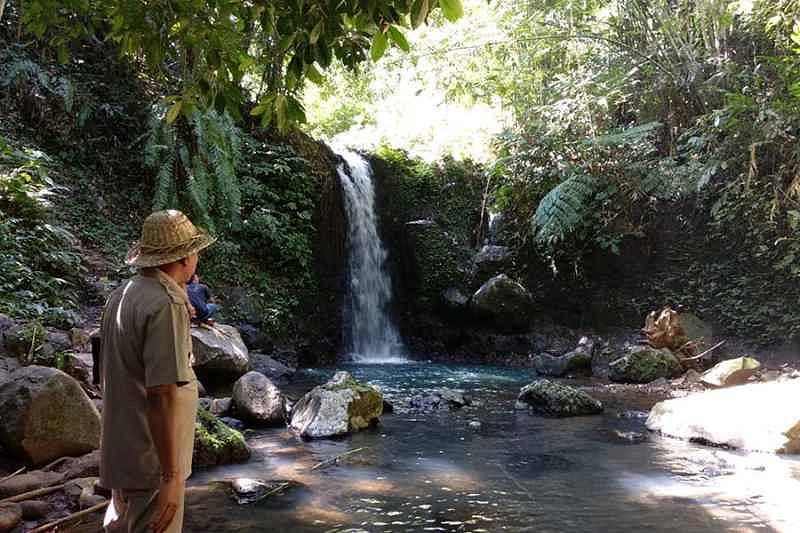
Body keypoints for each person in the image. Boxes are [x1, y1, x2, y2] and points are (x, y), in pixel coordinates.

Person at [99, 209, 215, 533]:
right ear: (184, 257)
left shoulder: (123, 295)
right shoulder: (165, 305)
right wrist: (171, 476)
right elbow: (161, 394)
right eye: (195, 250)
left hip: (123, 451)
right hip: (152, 460)